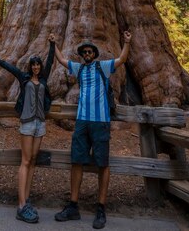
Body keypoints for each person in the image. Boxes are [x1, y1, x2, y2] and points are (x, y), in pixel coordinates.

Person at [50, 30, 132, 230]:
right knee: (77, 161)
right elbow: (61, 60)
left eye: (89, 52)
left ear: (94, 54)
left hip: (100, 121)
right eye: (84, 52)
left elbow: (121, 59)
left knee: (102, 163)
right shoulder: (78, 69)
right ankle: (73, 206)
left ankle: (101, 208)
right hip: (82, 121)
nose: (87, 54)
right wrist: (53, 43)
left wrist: (126, 41)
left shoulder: (103, 67)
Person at [0, 36, 55, 224]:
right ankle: (21, 206)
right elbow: (11, 69)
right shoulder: (24, 78)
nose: (36, 67)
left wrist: (52, 44)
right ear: (30, 67)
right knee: (25, 160)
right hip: (27, 123)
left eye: (38, 65)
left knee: (33, 160)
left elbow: (51, 61)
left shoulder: (43, 79)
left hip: (40, 124)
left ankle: (26, 200)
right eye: (33, 65)